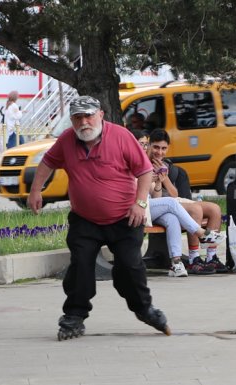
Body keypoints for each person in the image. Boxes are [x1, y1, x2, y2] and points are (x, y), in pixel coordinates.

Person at [27, 95, 170, 340]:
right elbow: (47, 162)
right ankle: (74, 317)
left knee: (129, 267)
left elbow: (145, 171)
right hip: (85, 219)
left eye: (89, 116)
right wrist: (35, 190)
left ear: (101, 115)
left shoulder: (122, 136)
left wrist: (140, 203)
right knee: (80, 266)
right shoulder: (67, 140)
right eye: (77, 117)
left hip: (125, 218)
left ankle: (144, 309)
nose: (84, 122)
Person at [132, 130, 221, 278]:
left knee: (173, 217)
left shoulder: (155, 164)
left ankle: (176, 263)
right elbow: (133, 188)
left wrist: (160, 180)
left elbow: (159, 195)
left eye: (145, 144)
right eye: (143, 144)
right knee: (177, 205)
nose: (158, 152)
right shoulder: (132, 162)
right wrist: (146, 179)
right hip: (138, 207)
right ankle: (199, 239)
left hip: (154, 206)